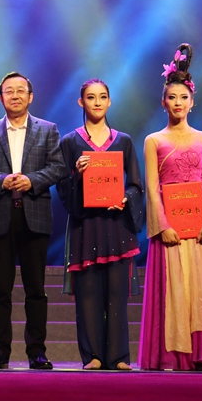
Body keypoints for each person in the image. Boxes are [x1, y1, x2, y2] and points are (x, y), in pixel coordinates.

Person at [138, 44, 202, 371]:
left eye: (183, 97)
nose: (178, 103)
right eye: (172, 97)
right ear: (163, 102)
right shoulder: (154, 140)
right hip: (170, 226)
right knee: (173, 288)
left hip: (200, 226)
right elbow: (152, 189)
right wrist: (161, 226)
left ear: (192, 102)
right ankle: (172, 355)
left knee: (200, 289)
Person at [0, 71, 66, 370]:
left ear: (30, 96)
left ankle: (37, 351)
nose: (15, 95)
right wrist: (2, 180)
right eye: (9, 91)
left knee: (36, 289)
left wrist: (31, 180)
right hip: (0, 215)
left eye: (20, 90)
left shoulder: (47, 130)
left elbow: (58, 167)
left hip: (35, 214)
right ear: (1, 98)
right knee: (1, 290)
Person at [55, 79, 144, 370]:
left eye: (102, 97)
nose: (97, 102)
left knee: (117, 294)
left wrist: (125, 199)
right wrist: (77, 175)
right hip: (86, 227)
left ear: (109, 101)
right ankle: (92, 355)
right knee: (88, 294)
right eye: (91, 97)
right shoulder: (70, 142)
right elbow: (62, 187)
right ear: (81, 102)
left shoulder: (123, 141)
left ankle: (118, 357)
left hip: (116, 225)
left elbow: (136, 185)